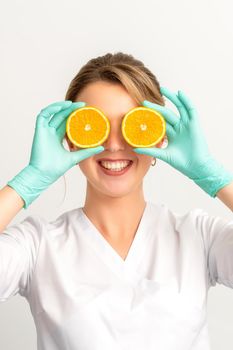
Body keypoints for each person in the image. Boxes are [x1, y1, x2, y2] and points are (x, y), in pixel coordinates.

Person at [0, 52, 233, 350]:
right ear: (71, 139)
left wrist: (213, 176)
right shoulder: (36, 247)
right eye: (94, 126)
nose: (113, 145)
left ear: (158, 137)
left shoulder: (200, 237)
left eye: (131, 125)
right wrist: (28, 181)